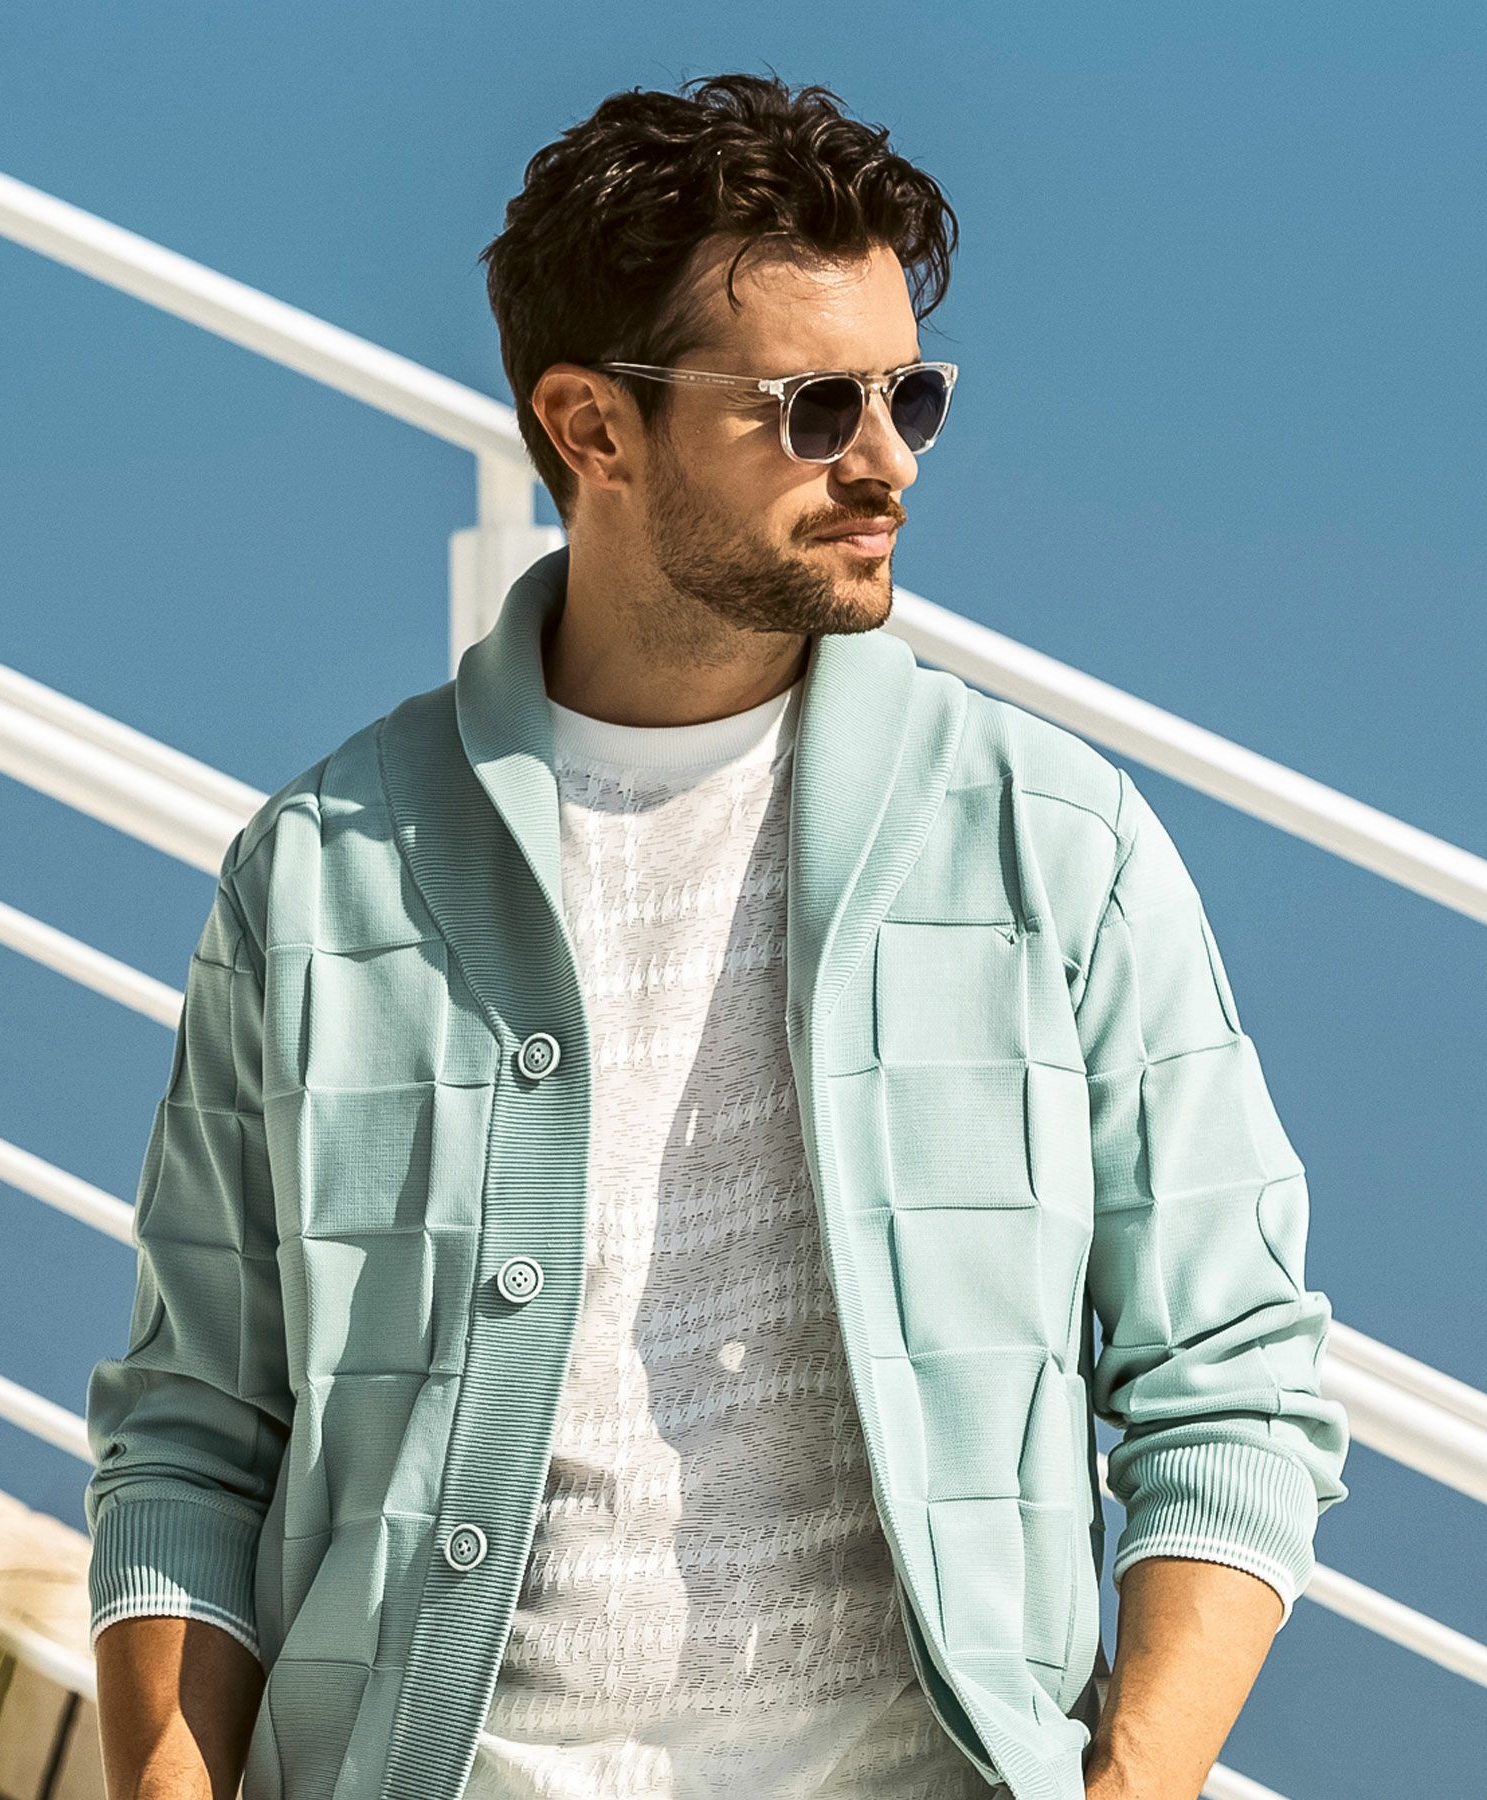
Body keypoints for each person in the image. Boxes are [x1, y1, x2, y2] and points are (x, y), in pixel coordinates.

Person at [86, 70, 1349, 1800]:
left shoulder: (1054, 846)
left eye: (911, 394)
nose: (887, 460)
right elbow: (195, 1432)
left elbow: (1232, 1379)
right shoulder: (320, 879)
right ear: (592, 430)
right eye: (814, 407)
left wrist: (1132, 1782)